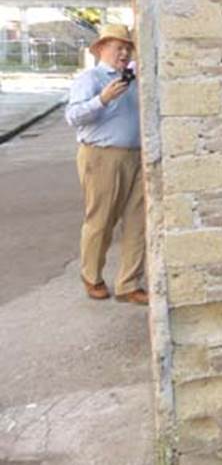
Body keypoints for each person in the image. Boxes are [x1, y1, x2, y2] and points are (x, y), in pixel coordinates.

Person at [65, 23, 148, 305]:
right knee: (100, 220)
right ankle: (92, 276)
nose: (123, 52)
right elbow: (73, 116)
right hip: (102, 156)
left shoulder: (134, 78)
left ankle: (128, 283)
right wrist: (103, 99)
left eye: (127, 47)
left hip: (137, 156)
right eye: (117, 47)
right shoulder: (91, 79)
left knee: (138, 222)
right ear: (101, 49)